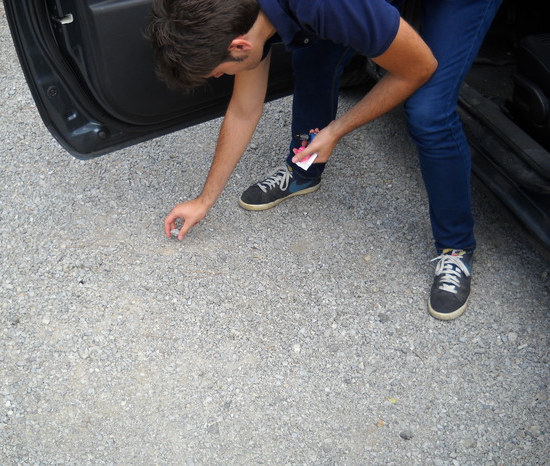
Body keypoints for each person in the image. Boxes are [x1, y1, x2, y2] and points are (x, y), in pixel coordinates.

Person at [147, 0, 502, 320]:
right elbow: (243, 109)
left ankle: (456, 246)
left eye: (220, 72)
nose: (223, 76)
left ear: (240, 46)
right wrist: (204, 200)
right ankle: (304, 169)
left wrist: (337, 130)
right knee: (312, 53)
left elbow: (418, 68)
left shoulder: (327, 6)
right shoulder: (243, 14)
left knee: (428, 112)